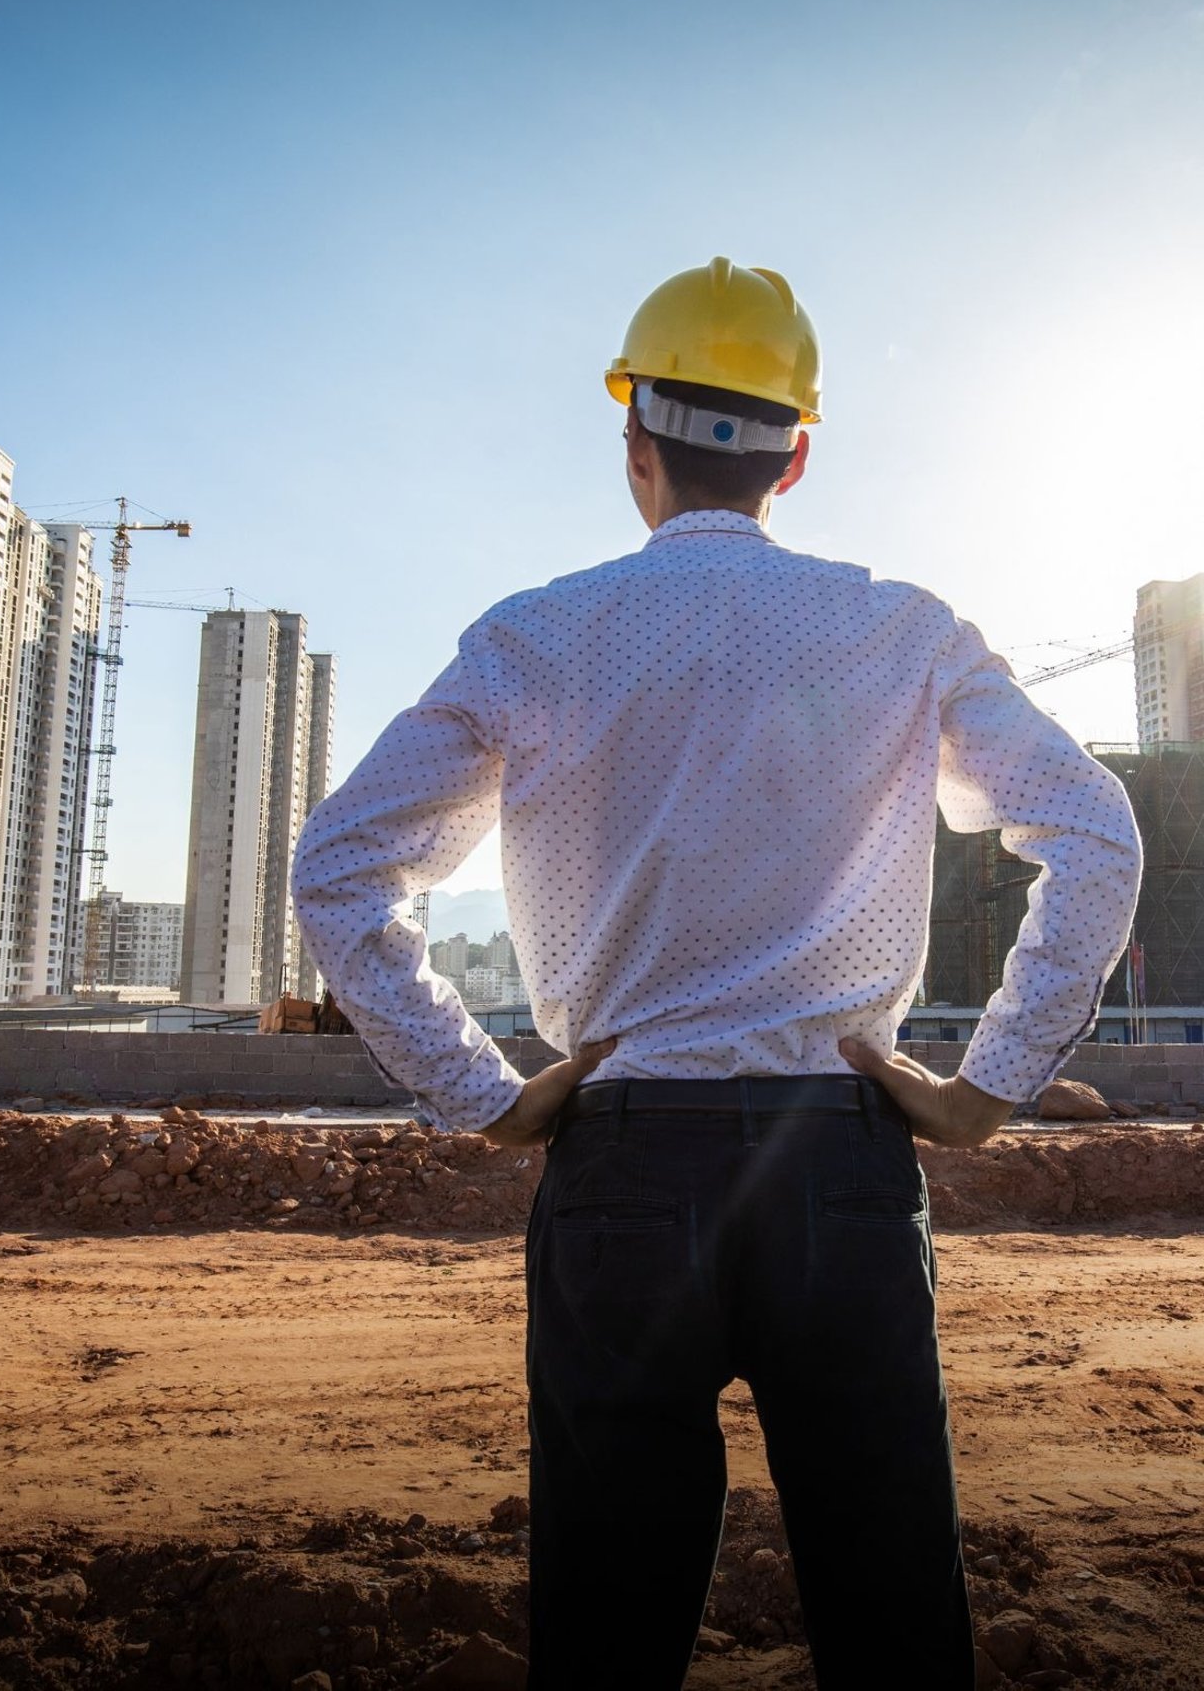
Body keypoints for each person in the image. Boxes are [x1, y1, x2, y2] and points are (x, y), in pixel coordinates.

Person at [289, 258, 1142, 1690]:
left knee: (607, 1638)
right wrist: (987, 1090)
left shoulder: (534, 637)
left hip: (620, 1166)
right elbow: (1097, 837)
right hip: (843, 1168)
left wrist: (485, 1098)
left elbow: (339, 867)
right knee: (895, 1628)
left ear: (636, 443)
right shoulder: (903, 630)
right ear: (795, 454)